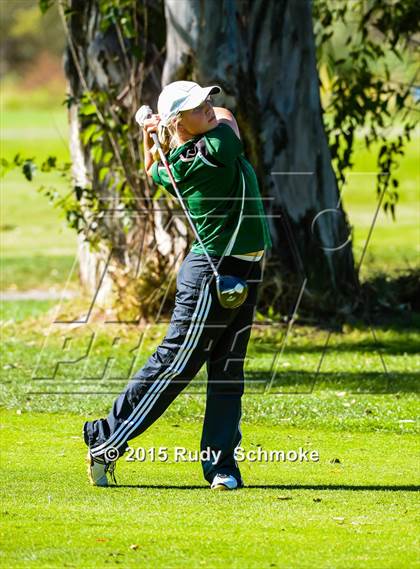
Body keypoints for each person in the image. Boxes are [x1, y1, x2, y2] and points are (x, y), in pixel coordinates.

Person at [84, 80, 273, 490]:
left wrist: (154, 133)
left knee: (227, 373)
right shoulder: (210, 151)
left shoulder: (176, 160)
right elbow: (229, 120)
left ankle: (222, 467)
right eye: (196, 105)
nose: (209, 106)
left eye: (207, 99)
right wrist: (161, 129)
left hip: (239, 270)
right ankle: (106, 441)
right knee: (176, 364)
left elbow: (153, 167)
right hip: (213, 275)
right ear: (178, 121)